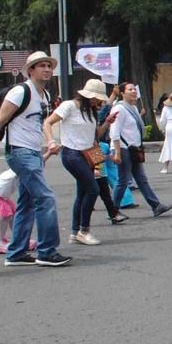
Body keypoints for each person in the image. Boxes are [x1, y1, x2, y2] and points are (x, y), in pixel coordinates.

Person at [0, 52, 71, 268]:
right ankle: (47, 251)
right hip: (20, 153)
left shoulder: (44, 95)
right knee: (46, 199)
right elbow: (0, 120)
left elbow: (39, 124)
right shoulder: (20, 91)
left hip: (33, 152)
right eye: (41, 66)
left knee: (27, 203)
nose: (47, 69)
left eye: (49, 65)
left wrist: (48, 144)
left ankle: (16, 252)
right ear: (30, 70)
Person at [45, 79, 118, 246]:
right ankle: (84, 231)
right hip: (71, 153)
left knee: (83, 192)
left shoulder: (91, 111)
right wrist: (51, 142)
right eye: (96, 97)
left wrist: (107, 122)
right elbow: (48, 122)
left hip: (87, 153)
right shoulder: (69, 106)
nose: (97, 101)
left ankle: (75, 232)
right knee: (93, 189)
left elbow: (95, 136)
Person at [108, 82, 172, 219]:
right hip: (124, 148)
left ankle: (156, 205)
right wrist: (117, 152)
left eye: (134, 89)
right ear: (122, 93)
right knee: (123, 180)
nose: (133, 91)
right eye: (129, 89)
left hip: (134, 148)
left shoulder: (132, 108)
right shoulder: (119, 109)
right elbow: (114, 131)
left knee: (141, 179)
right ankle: (113, 210)